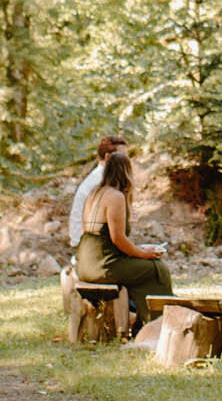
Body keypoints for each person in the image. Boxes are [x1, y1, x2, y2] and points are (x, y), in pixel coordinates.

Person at [73, 148, 174, 329]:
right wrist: (143, 254)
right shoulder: (115, 197)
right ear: (126, 172)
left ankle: (141, 318)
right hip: (103, 266)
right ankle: (159, 323)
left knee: (141, 269)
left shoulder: (94, 193)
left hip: (85, 263)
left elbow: (91, 233)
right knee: (157, 269)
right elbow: (117, 238)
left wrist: (137, 251)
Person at [67, 134, 129, 250]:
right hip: (88, 245)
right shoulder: (100, 181)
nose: (127, 161)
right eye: (123, 157)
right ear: (107, 157)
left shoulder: (101, 177)